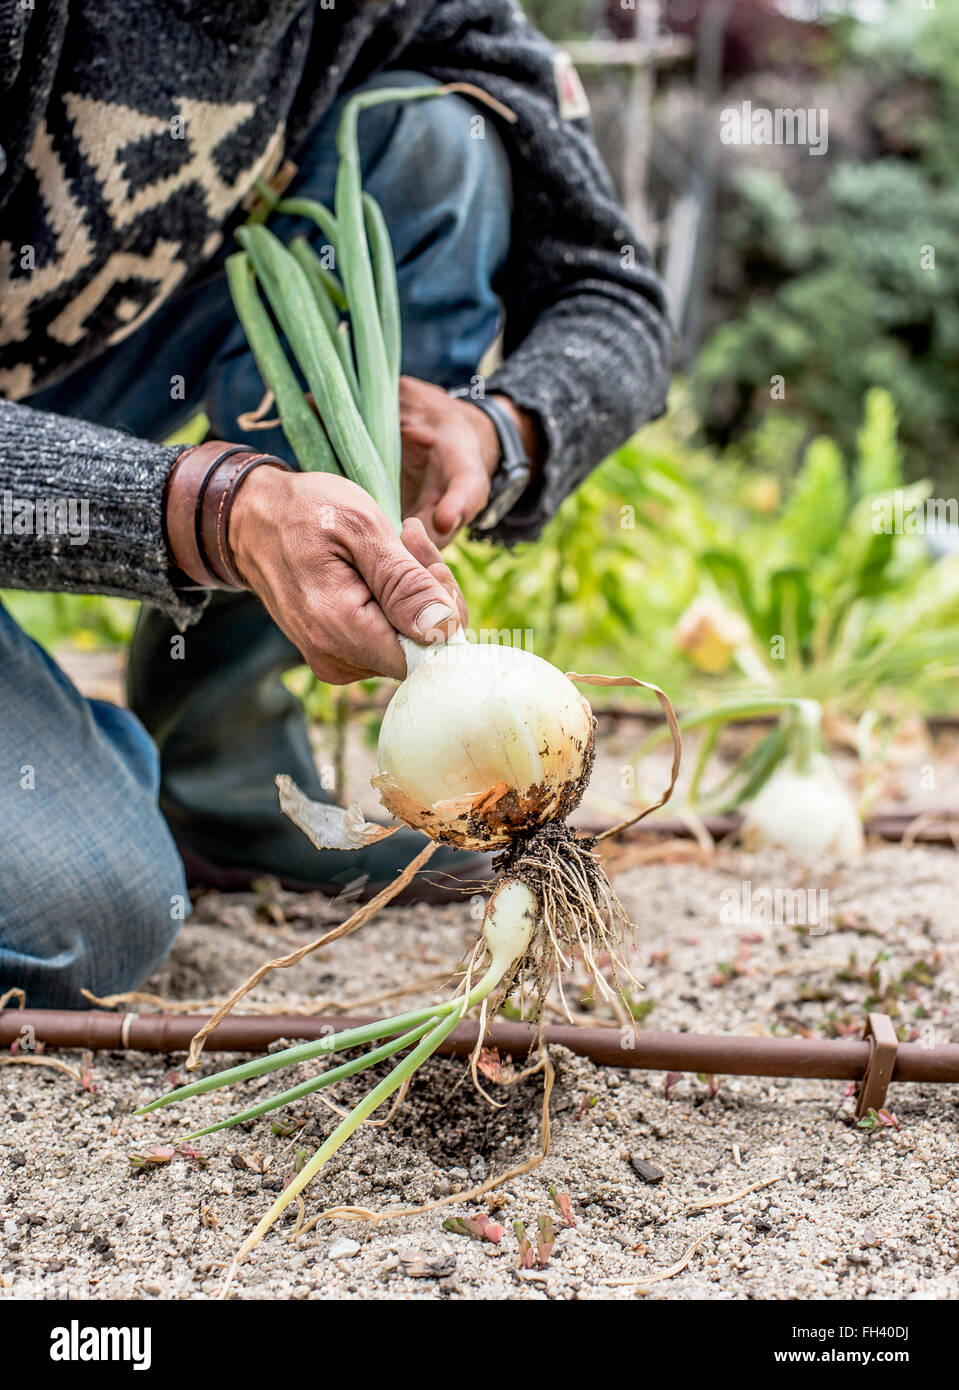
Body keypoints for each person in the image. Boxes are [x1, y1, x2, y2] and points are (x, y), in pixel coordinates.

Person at [0, 1, 672, 1008]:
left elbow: (610, 290)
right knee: (85, 917)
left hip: (70, 382)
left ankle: (222, 769)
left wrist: (507, 429)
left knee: (436, 141)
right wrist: (207, 512)